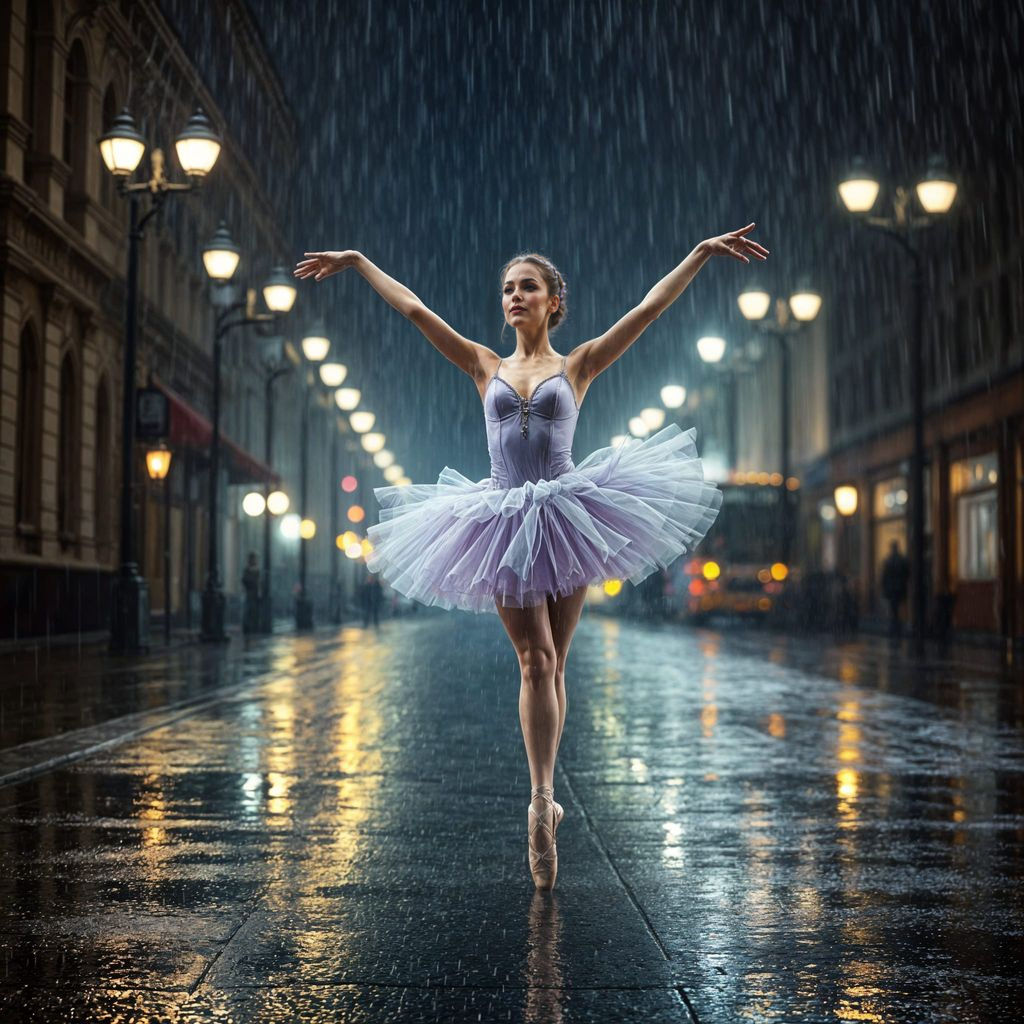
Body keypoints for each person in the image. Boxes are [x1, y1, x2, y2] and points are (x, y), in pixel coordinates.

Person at [294, 225, 767, 889]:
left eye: (528, 288)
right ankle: (540, 804)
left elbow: (649, 309)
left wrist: (700, 254)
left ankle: (547, 801)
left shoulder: (579, 365)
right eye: (508, 289)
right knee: (535, 657)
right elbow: (414, 310)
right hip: (501, 518)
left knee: (557, 662)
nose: (515, 296)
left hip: (572, 513)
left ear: (554, 303)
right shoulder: (485, 364)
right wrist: (360, 261)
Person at [880, 539, 910, 637]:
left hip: (891, 589)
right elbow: (907, 574)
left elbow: (883, 576)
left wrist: (884, 588)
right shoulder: (902, 559)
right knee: (897, 608)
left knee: (893, 609)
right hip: (900, 588)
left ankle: (894, 628)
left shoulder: (888, 560)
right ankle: (898, 627)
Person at [241, 552, 261, 635]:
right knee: (248, 610)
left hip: (255, 594)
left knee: (254, 611)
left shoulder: (256, 570)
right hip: (249, 593)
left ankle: (253, 627)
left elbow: (259, 582)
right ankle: (247, 628)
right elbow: (244, 580)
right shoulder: (247, 570)